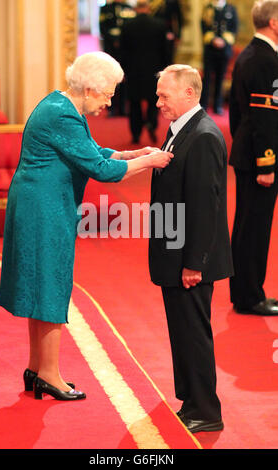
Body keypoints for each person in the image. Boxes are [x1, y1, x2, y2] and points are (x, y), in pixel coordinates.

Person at [0, 51, 173, 401]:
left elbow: (90, 151)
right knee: (51, 284)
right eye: (108, 92)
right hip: (43, 208)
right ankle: (48, 373)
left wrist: (133, 155)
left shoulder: (62, 105)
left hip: (40, 203)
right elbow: (101, 170)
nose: (110, 100)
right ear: (90, 87)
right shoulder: (64, 114)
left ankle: (37, 368)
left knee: (42, 285)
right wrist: (151, 161)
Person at [149, 64, 233, 433]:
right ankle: (190, 399)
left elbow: (205, 206)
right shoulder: (180, 129)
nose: (158, 102)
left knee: (194, 333)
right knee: (181, 331)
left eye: (164, 95)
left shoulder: (202, 136)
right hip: (176, 251)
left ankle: (206, 409)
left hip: (191, 259)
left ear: (189, 94)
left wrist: (194, 262)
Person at [229, 0, 278, 316]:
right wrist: (267, 162)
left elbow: (238, 115)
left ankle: (249, 291)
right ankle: (249, 296)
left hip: (249, 154)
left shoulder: (254, 54)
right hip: (260, 160)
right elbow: (263, 117)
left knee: (250, 226)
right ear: (274, 23)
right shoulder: (265, 60)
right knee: (253, 228)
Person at [120, 0, 168, 143]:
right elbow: (165, 51)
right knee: (154, 100)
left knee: (134, 103)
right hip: (154, 70)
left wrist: (123, 71)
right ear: (148, 8)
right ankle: (151, 122)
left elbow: (123, 51)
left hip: (133, 71)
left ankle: (135, 134)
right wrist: (165, 70)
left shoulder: (127, 25)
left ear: (136, 8)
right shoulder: (159, 25)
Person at [200, 0, 238, 115]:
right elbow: (203, 26)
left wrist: (224, 41)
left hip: (224, 50)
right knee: (206, 79)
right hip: (210, 49)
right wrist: (212, 39)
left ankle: (218, 105)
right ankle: (204, 105)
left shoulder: (231, 9)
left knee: (220, 79)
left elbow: (234, 28)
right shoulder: (208, 8)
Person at [99, 0, 136, 116]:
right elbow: (102, 28)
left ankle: (123, 107)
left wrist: (121, 41)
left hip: (125, 50)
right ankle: (111, 108)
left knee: (125, 79)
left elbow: (131, 28)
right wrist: (114, 40)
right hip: (111, 49)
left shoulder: (128, 8)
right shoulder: (105, 9)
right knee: (110, 78)